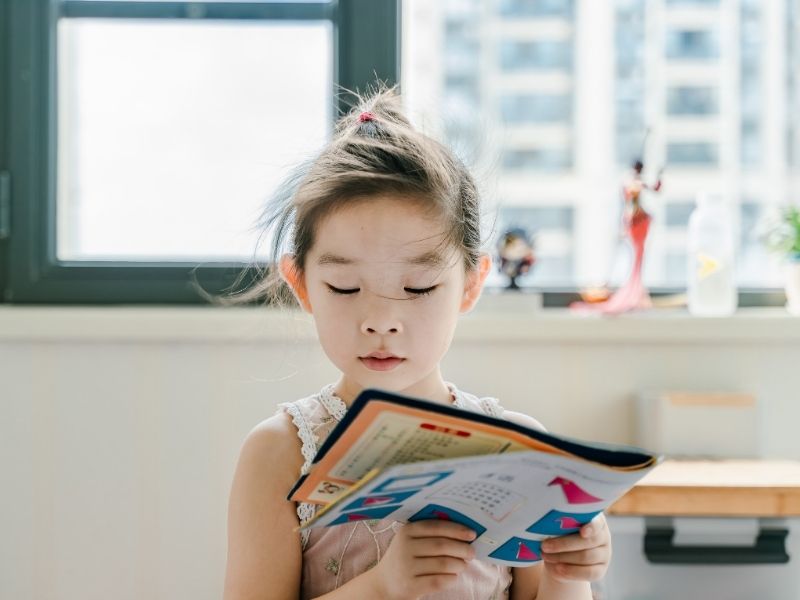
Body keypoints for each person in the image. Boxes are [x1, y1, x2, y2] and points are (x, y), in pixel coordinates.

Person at [223, 86, 611, 600]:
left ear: (471, 285)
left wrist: (570, 570)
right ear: (301, 285)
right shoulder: (281, 454)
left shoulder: (519, 451)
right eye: (345, 287)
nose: (381, 320)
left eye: (418, 288)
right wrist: (381, 586)